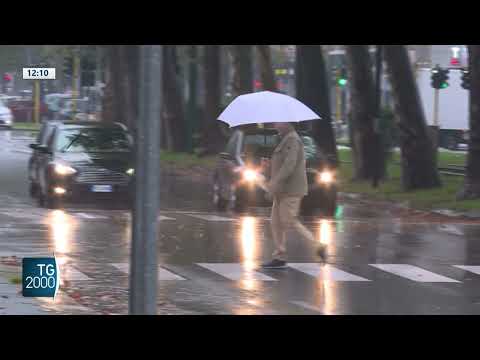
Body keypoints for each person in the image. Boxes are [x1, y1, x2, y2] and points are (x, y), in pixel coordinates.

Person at [260, 122, 327, 269]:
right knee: (275, 222)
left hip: (290, 190)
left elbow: (289, 166)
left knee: (289, 220)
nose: (276, 124)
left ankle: (318, 245)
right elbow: (282, 164)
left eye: (279, 122)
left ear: (288, 124)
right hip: (281, 190)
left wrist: (274, 183)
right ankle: (279, 256)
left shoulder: (293, 140)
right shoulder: (284, 139)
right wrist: (268, 166)